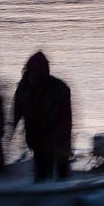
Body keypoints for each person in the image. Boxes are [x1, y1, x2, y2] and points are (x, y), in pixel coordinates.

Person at [13, 51, 72, 181]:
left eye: (34, 71)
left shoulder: (60, 89)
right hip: (37, 140)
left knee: (62, 174)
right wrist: (9, 133)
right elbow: (16, 112)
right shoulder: (23, 88)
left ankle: (64, 191)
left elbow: (66, 120)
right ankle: (42, 190)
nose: (32, 75)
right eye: (29, 71)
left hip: (58, 141)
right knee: (41, 174)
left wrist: (59, 142)